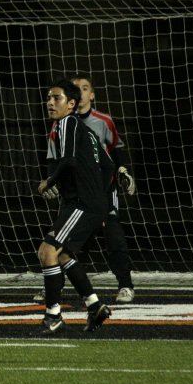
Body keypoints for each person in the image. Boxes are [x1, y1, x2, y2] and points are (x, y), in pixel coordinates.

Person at [36, 78, 113, 335]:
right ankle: (94, 306)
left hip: (81, 203)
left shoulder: (66, 123)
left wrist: (50, 181)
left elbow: (68, 162)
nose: (49, 102)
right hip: (90, 203)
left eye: (56, 98)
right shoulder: (87, 131)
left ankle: (53, 315)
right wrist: (100, 203)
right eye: (48, 98)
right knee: (64, 255)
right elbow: (109, 167)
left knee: (47, 251)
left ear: (71, 104)